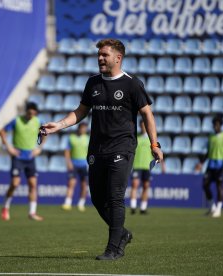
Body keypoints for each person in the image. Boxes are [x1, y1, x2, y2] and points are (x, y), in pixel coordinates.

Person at [42, 38, 163, 260]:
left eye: (104, 55)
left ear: (118, 58)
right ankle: (122, 234)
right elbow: (80, 111)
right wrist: (58, 125)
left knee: (115, 197)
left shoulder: (132, 84)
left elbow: (147, 113)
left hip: (123, 148)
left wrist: (155, 144)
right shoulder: (93, 83)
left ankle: (113, 249)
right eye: (99, 55)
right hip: (97, 149)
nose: (100, 58)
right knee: (98, 199)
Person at [0, 102, 46, 221]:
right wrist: (8, 147)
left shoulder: (37, 121)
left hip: (30, 157)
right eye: (30, 112)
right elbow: (2, 132)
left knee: (33, 184)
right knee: (15, 183)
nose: (31, 115)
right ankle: (5, 207)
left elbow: (45, 133)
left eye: (34, 113)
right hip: (18, 156)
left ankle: (32, 212)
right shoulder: (17, 120)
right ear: (26, 111)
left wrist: (39, 148)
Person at [198, 115, 223, 218]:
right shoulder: (211, 136)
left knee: (219, 186)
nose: (215, 126)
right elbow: (208, 151)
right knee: (205, 184)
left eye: (216, 124)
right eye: (214, 124)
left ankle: (219, 209)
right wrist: (202, 162)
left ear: (220, 125)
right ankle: (212, 207)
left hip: (220, 165)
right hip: (211, 165)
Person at [130, 120, 165, 215]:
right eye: (142, 126)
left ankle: (143, 208)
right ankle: (133, 207)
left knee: (146, 186)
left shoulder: (152, 140)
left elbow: (158, 152)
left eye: (144, 126)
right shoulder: (136, 137)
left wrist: (162, 165)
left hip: (147, 166)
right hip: (137, 165)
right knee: (134, 185)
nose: (143, 127)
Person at [62, 122, 89, 212]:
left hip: (84, 165)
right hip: (74, 164)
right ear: (79, 128)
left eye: (85, 128)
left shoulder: (88, 139)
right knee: (71, 183)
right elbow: (67, 151)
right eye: (82, 128)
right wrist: (68, 162)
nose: (83, 130)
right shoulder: (72, 138)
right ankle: (68, 203)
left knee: (84, 185)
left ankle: (81, 203)